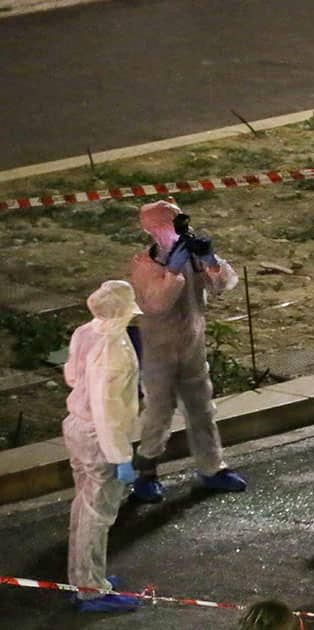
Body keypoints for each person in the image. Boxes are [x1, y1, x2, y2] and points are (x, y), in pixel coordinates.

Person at [129, 199, 247, 502]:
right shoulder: (144, 265)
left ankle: (212, 468)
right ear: (152, 231)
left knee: (202, 409)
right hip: (159, 351)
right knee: (158, 411)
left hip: (192, 346)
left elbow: (224, 283)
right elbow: (156, 304)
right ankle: (146, 472)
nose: (177, 230)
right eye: (169, 225)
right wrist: (171, 272)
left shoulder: (193, 259)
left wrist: (210, 260)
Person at [63, 280, 144, 612]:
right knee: (98, 514)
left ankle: (84, 576)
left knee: (84, 509)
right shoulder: (113, 348)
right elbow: (106, 409)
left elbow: (71, 375)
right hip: (100, 438)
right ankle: (92, 589)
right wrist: (121, 456)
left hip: (77, 428)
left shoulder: (86, 331)